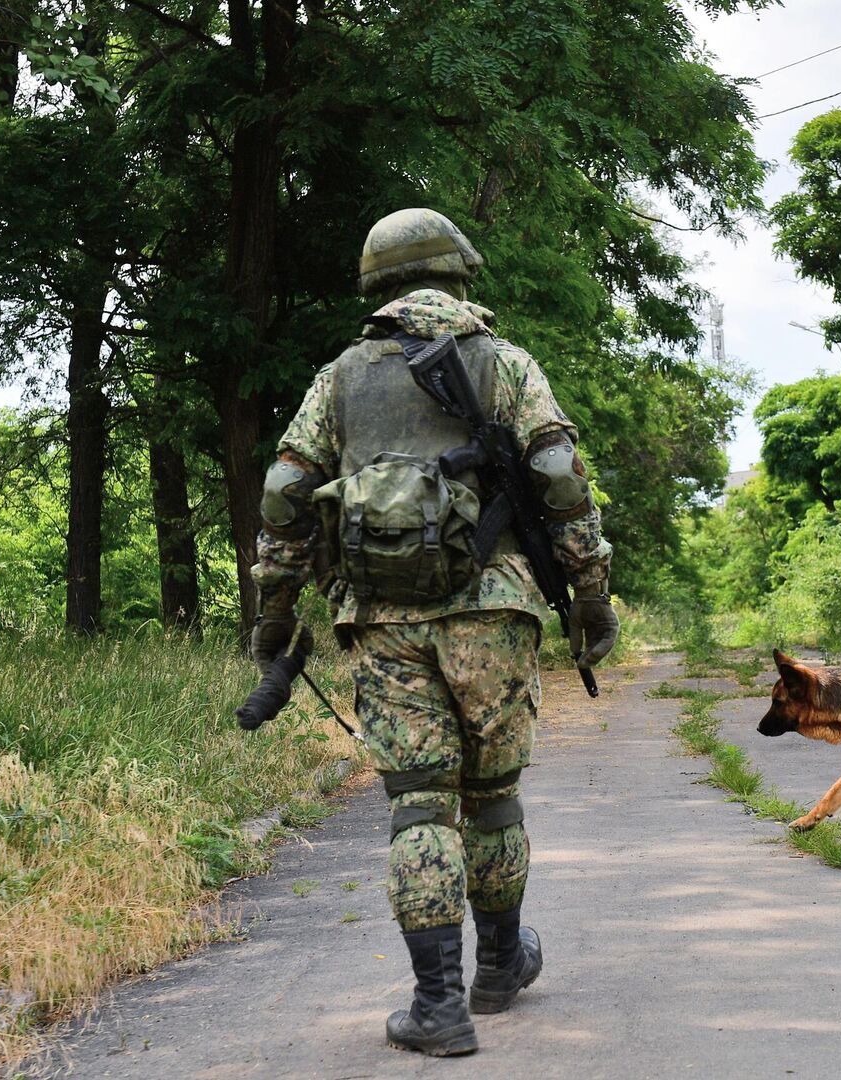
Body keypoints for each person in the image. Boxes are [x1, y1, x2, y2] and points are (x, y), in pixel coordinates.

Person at [249, 207, 618, 1056]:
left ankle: (437, 1005)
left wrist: (275, 608)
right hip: (495, 608)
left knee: (419, 804)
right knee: (492, 799)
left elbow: (283, 494)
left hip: (380, 620)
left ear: (376, 285)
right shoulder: (505, 364)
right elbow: (559, 475)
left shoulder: (340, 378)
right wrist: (591, 594)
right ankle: (498, 967)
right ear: (458, 275)